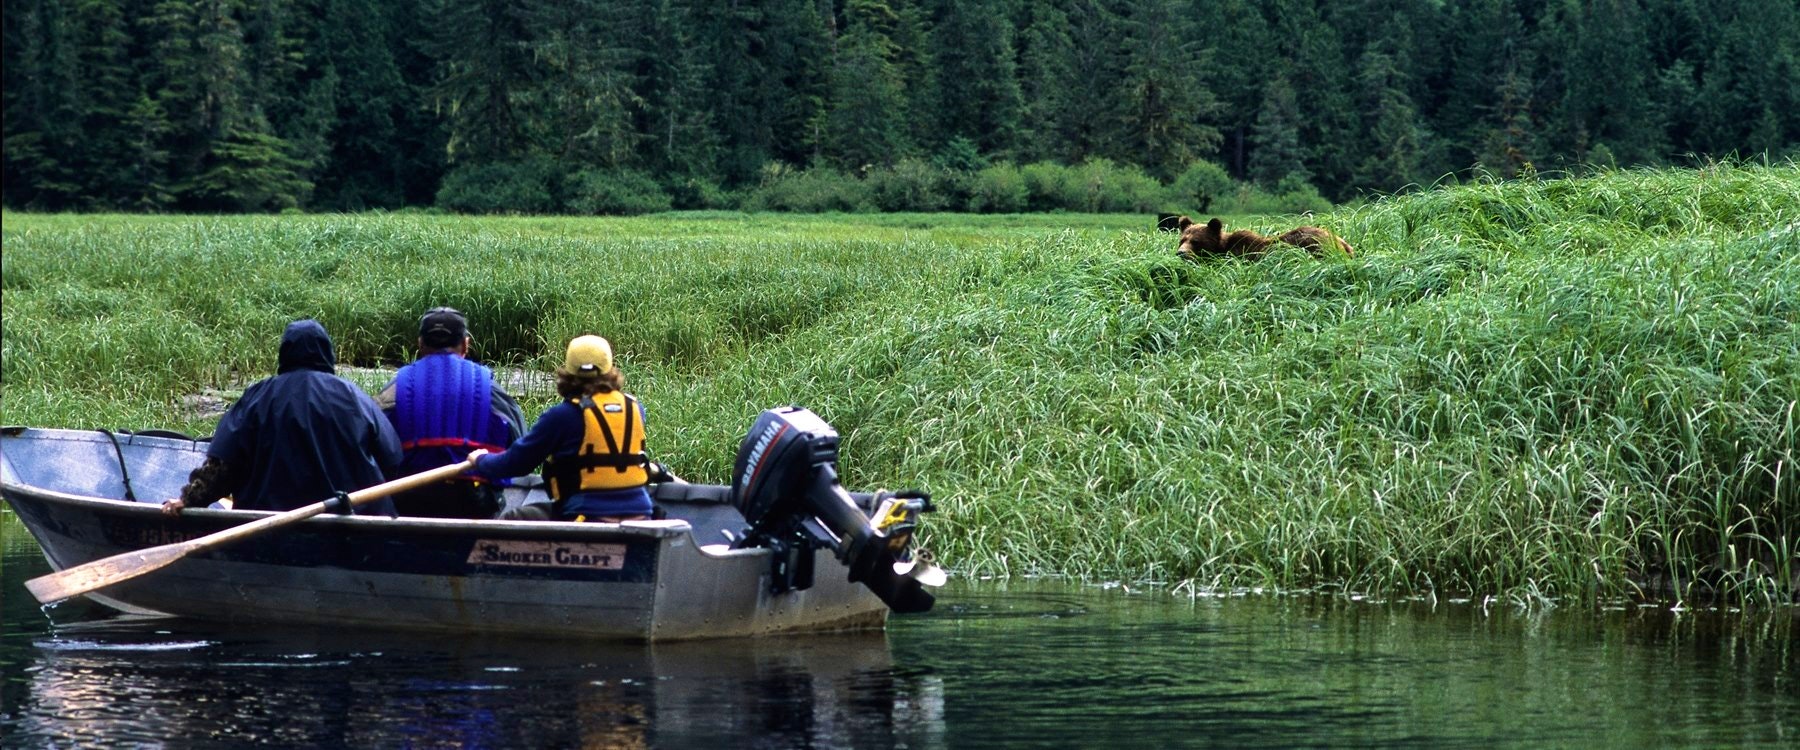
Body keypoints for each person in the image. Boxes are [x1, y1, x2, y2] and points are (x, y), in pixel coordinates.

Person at [163, 319, 402, 517]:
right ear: (328, 353)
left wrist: (190, 499)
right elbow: (392, 460)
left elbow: (222, 467)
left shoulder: (256, 398)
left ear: (284, 353)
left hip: (267, 522)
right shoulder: (355, 398)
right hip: (351, 523)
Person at [472, 334, 656, 522]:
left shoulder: (563, 415)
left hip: (585, 516)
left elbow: (516, 463)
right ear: (609, 370)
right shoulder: (635, 408)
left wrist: (481, 460)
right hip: (641, 514)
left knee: (514, 517)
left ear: (568, 371)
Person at [375, 307, 526, 519]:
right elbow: (518, 440)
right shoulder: (488, 387)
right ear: (465, 344)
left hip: (411, 498)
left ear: (420, 344)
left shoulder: (395, 388)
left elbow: (374, 446)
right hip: (474, 500)